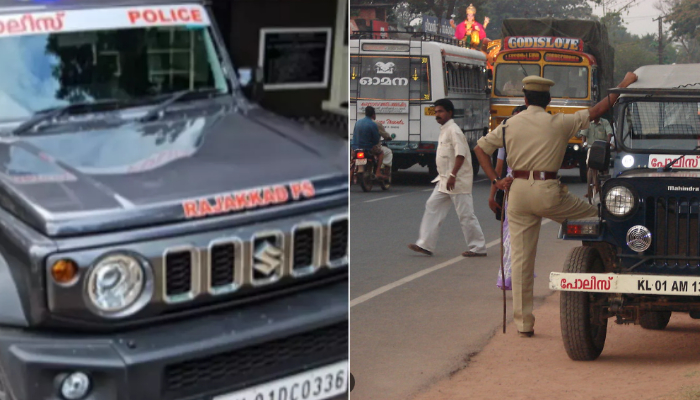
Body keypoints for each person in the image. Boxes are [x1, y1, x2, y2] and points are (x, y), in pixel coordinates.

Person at [473, 72, 639, 337]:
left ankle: (524, 323)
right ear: (548, 99)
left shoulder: (509, 124)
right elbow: (599, 109)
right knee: (600, 218)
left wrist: (496, 180)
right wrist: (624, 83)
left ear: (525, 98)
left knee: (521, 259)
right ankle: (619, 273)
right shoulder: (559, 123)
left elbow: (480, 149)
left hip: (516, 192)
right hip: (548, 191)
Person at [409, 98, 487, 257]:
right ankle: (425, 244)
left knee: (465, 215)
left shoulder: (454, 130)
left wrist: (453, 175)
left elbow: (461, 155)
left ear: (449, 113)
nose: (437, 115)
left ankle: (478, 248)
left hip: (457, 180)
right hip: (444, 180)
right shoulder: (444, 129)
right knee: (432, 205)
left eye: (441, 111)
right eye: (436, 112)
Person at [489, 104, 527, 290]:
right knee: (510, 238)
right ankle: (510, 277)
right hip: (510, 193)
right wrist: (493, 193)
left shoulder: (533, 140)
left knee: (524, 238)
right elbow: (498, 170)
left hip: (528, 192)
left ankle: (521, 278)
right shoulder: (506, 141)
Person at [352, 106, 388, 179]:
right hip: (367, 148)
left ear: (365, 113)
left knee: (352, 161)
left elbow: (354, 135)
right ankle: (378, 172)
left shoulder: (358, 122)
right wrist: (373, 144)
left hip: (355, 147)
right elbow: (375, 140)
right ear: (373, 115)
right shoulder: (373, 124)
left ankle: (351, 177)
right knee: (381, 153)